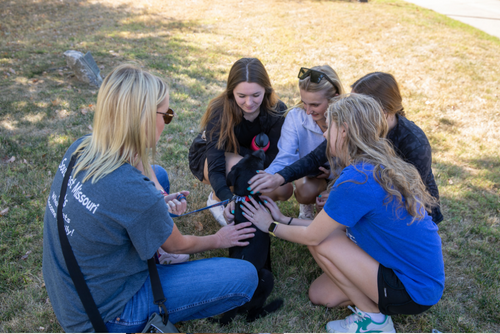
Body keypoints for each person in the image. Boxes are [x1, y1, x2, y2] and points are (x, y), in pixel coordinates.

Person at [42, 64, 259, 333]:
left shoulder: (81, 147)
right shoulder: (130, 190)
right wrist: (219, 239)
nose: (167, 121)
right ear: (142, 118)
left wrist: (156, 204)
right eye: (165, 114)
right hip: (108, 314)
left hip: (70, 293)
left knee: (157, 174)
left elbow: (137, 181)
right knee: (245, 277)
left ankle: (150, 245)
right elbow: (177, 245)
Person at [238, 94, 445, 333]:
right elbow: (331, 226)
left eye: (329, 127)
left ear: (344, 131)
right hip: (410, 274)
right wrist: (285, 219)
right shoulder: (374, 165)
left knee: (321, 242)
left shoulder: (358, 179)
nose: (324, 134)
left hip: (413, 287)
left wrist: (270, 226)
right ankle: (374, 307)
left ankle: (375, 321)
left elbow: (314, 236)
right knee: (320, 294)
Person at [249, 72, 443, 224]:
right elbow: (316, 157)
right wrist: (279, 177)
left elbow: (411, 196)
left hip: (410, 213)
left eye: (356, 104)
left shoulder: (414, 142)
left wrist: (343, 195)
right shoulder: (356, 126)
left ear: (381, 112)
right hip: (374, 199)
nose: (349, 107)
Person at [188, 57, 291, 227]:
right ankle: (217, 199)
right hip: (211, 159)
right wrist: (228, 199)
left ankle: (248, 200)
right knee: (245, 170)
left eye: (256, 95)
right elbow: (216, 166)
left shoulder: (277, 110)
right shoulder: (220, 111)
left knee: (284, 189)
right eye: (241, 96)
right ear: (231, 92)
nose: (249, 103)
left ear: (266, 90)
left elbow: (274, 158)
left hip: (252, 159)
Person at [262, 65, 344, 220]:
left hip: (343, 177)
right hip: (309, 175)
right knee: (307, 190)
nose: (307, 110)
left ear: (335, 98)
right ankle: (307, 207)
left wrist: (335, 175)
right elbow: (285, 157)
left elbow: (360, 163)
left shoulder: (350, 120)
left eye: (315, 105)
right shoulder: (295, 117)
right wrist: (266, 177)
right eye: (304, 102)